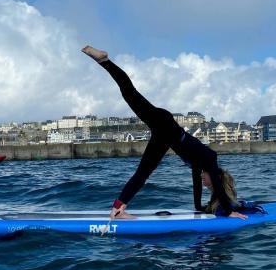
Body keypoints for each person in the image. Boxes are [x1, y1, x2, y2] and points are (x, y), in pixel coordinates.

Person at [82, 45, 246, 220]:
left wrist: (198, 207)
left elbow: (196, 185)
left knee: (142, 173)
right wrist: (229, 212)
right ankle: (104, 60)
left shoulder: (200, 164)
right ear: (216, 178)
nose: (205, 183)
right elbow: (217, 186)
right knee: (130, 93)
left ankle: (117, 209)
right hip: (165, 125)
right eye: (209, 183)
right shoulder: (210, 159)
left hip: (165, 137)